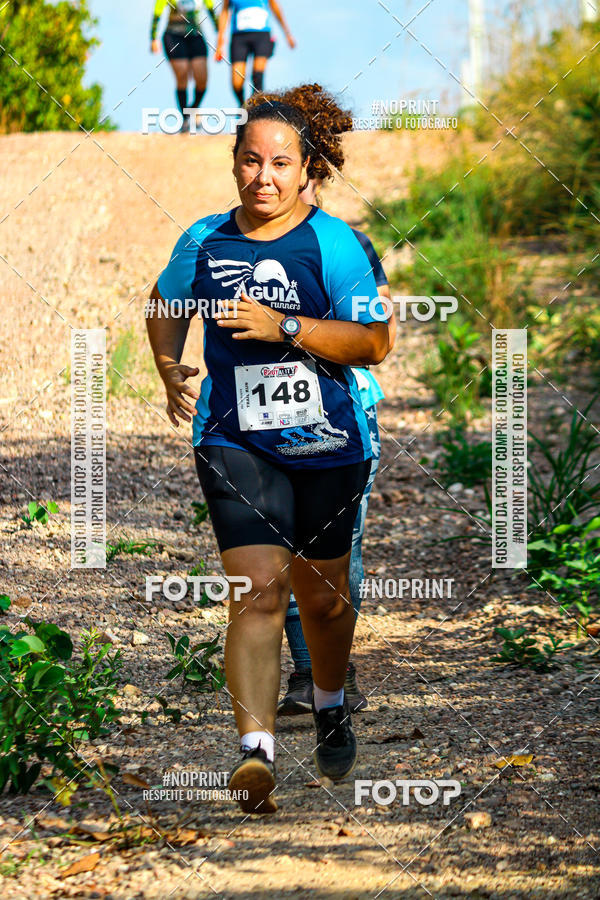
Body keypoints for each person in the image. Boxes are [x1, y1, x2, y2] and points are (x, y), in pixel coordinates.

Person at [146, 84, 390, 814]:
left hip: (332, 442)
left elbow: (374, 341)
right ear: (234, 166)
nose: (264, 177)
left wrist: (284, 327)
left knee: (322, 599)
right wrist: (168, 367)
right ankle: (255, 753)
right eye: (250, 161)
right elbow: (163, 305)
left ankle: (330, 697)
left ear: (306, 168)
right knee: (256, 592)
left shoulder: (335, 243)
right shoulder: (203, 242)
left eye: (280, 163)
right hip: (234, 438)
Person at [278, 174, 396, 717]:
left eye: (292, 172)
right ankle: (308, 674)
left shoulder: (347, 243)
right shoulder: (234, 242)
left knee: (333, 545)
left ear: (315, 178)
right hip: (264, 419)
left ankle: (331, 672)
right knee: (282, 548)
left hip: (345, 413)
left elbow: (380, 339)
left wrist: (293, 327)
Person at [151, 0, 218, 133]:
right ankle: (185, 118)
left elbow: (212, 12)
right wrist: (153, 38)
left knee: (202, 79)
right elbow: (157, 13)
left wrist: (221, 36)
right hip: (174, 35)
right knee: (182, 76)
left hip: (195, 35)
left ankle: (193, 109)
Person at [215, 1, 296, 106]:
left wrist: (287, 33)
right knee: (237, 83)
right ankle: (243, 107)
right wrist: (220, 42)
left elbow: (275, 7)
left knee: (257, 76)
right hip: (239, 38)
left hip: (261, 36)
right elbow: (224, 11)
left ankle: (256, 109)